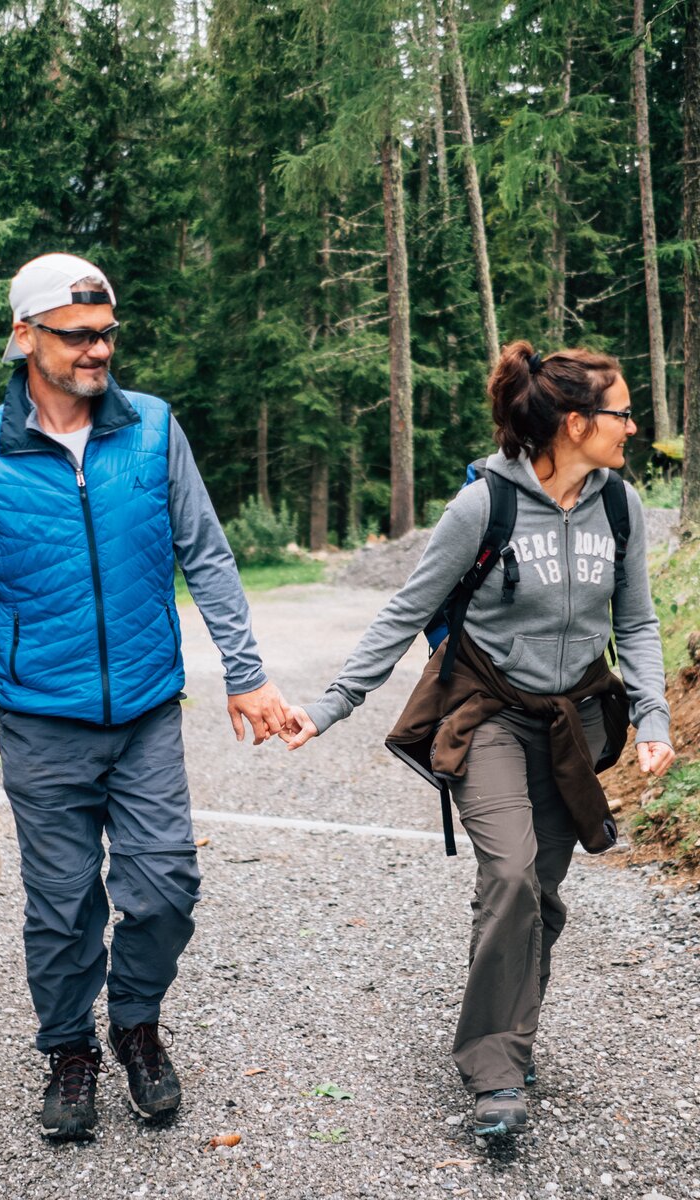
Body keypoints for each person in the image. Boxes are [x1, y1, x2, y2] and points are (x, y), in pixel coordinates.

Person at [0, 252, 289, 1142]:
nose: (98, 351)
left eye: (108, 334)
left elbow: (206, 553)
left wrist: (245, 671)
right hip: (41, 721)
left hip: (145, 714)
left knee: (165, 888)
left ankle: (134, 1022)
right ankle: (68, 1052)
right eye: (78, 336)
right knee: (60, 906)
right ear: (24, 336)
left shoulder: (154, 430)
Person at [280, 340, 674, 1136]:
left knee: (541, 898)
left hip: (574, 723)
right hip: (486, 715)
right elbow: (403, 610)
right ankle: (496, 1071)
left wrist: (656, 718)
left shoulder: (618, 506)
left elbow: (633, 621)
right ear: (573, 423)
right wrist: (331, 705)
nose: (633, 426)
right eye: (621, 412)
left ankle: (507, 1024)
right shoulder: (483, 507)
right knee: (512, 875)